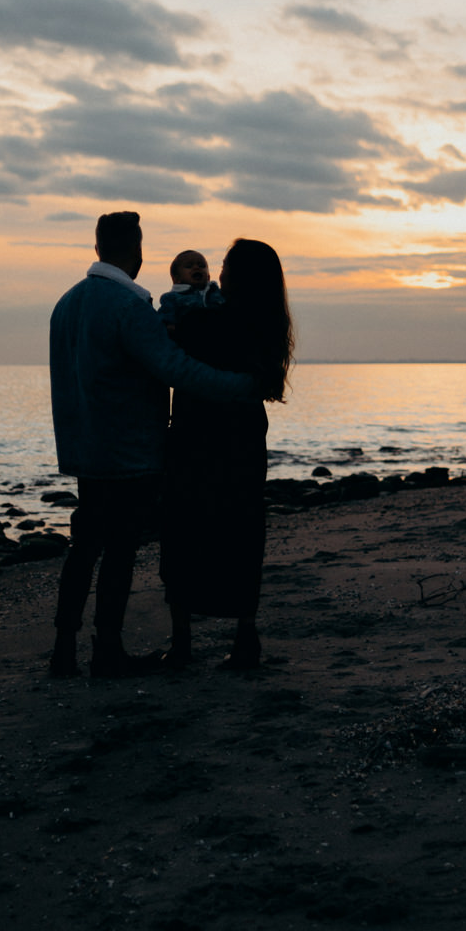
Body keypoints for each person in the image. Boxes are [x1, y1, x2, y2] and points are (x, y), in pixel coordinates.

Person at [48, 212, 259, 679]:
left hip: (84, 450)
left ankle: (63, 648)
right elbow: (176, 369)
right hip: (128, 451)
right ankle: (106, 650)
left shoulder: (66, 304)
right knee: (119, 550)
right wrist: (242, 386)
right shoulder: (130, 308)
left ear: (99, 247)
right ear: (137, 252)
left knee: (83, 547)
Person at [159, 238, 294, 671]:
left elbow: (169, 347)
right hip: (244, 437)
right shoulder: (267, 324)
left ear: (238, 276)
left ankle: (182, 643)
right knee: (243, 531)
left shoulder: (206, 321)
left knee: (183, 532)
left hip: (198, 435)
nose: (217, 272)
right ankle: (244, 637)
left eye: (224, 265)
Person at [157, 249, 224, 327]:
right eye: (189, 266)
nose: (196, 267)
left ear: (208, 276)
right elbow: (165, 322)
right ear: (176, 278)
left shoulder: (216, 292)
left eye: (201, 266)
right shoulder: (171, 298)